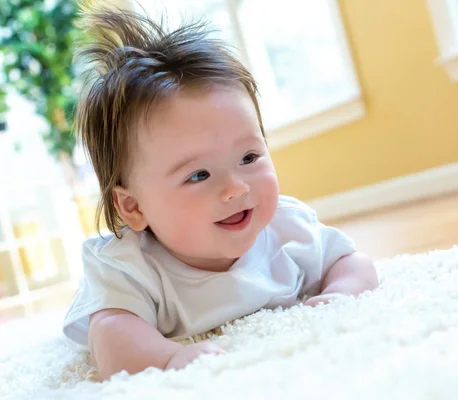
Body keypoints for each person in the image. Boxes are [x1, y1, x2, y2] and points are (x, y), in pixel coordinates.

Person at [63, 6, 378, 381]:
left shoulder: (285, 228)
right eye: (198, 175)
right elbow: (111, 338)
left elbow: (354, 262)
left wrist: (342, 291)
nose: (235, 188)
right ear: (133, 206)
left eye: (249, 157)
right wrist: (168, 359)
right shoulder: (130, 268)